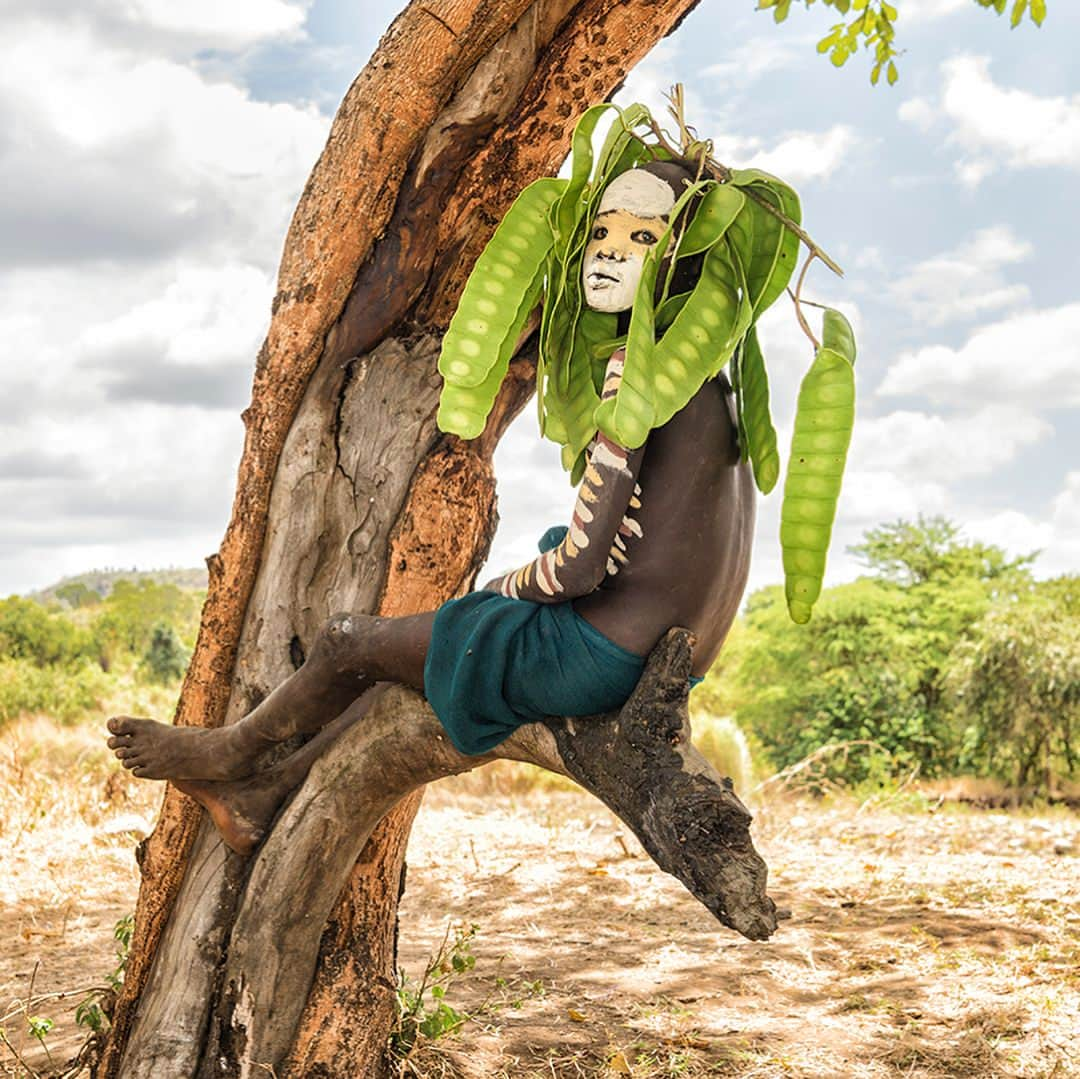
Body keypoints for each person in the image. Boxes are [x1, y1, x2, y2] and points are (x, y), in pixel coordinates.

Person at [106, 162, 755, 853]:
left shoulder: (640, 368)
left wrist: (493, 594)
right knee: (420, 654)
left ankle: (229, 752)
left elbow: (578, 570)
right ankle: (269, 789)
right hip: (675, 654)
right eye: (601, 230)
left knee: (348, 642)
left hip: (606, 656)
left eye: (641, 236)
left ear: (685, 252)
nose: (609, 251)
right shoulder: (713, 379)